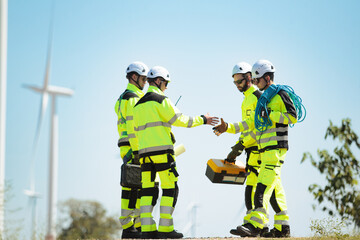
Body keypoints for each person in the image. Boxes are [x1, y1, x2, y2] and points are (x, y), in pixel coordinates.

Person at [214, 60, 300, 238]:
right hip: (266, 149)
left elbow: (293, 116)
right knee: (275, 190)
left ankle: (256, 225)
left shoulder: (278, 94)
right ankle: (283, 229)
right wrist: (228, 127)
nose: (255, 83)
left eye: (256, 79)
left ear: (266, 78)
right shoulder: (265, 98)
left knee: (261, 189)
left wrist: (270, 114)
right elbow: (252, 124)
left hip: (275, 148)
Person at [133, 66, 219, 239]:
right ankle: (165, 229)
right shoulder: (161, 99)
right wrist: (203, 119)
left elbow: (137, 131)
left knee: (147, 190)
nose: (166, 87)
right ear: (159, 81)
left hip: (144, 154)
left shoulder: (138, 104)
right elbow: (181, 120)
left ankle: (147, 230)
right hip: (162, 152)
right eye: (165, 84)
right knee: (170, 188)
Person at [114, 61, 149, 239]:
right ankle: (135, 226)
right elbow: (134, 127)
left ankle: (130, 226)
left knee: (130, 187)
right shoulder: (135, 98)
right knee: (141, 188)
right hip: (134, 147)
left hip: (125, 146)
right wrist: (137, 151)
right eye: (143, 78)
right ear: (134, 77)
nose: (145, 82)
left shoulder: (122, 98)